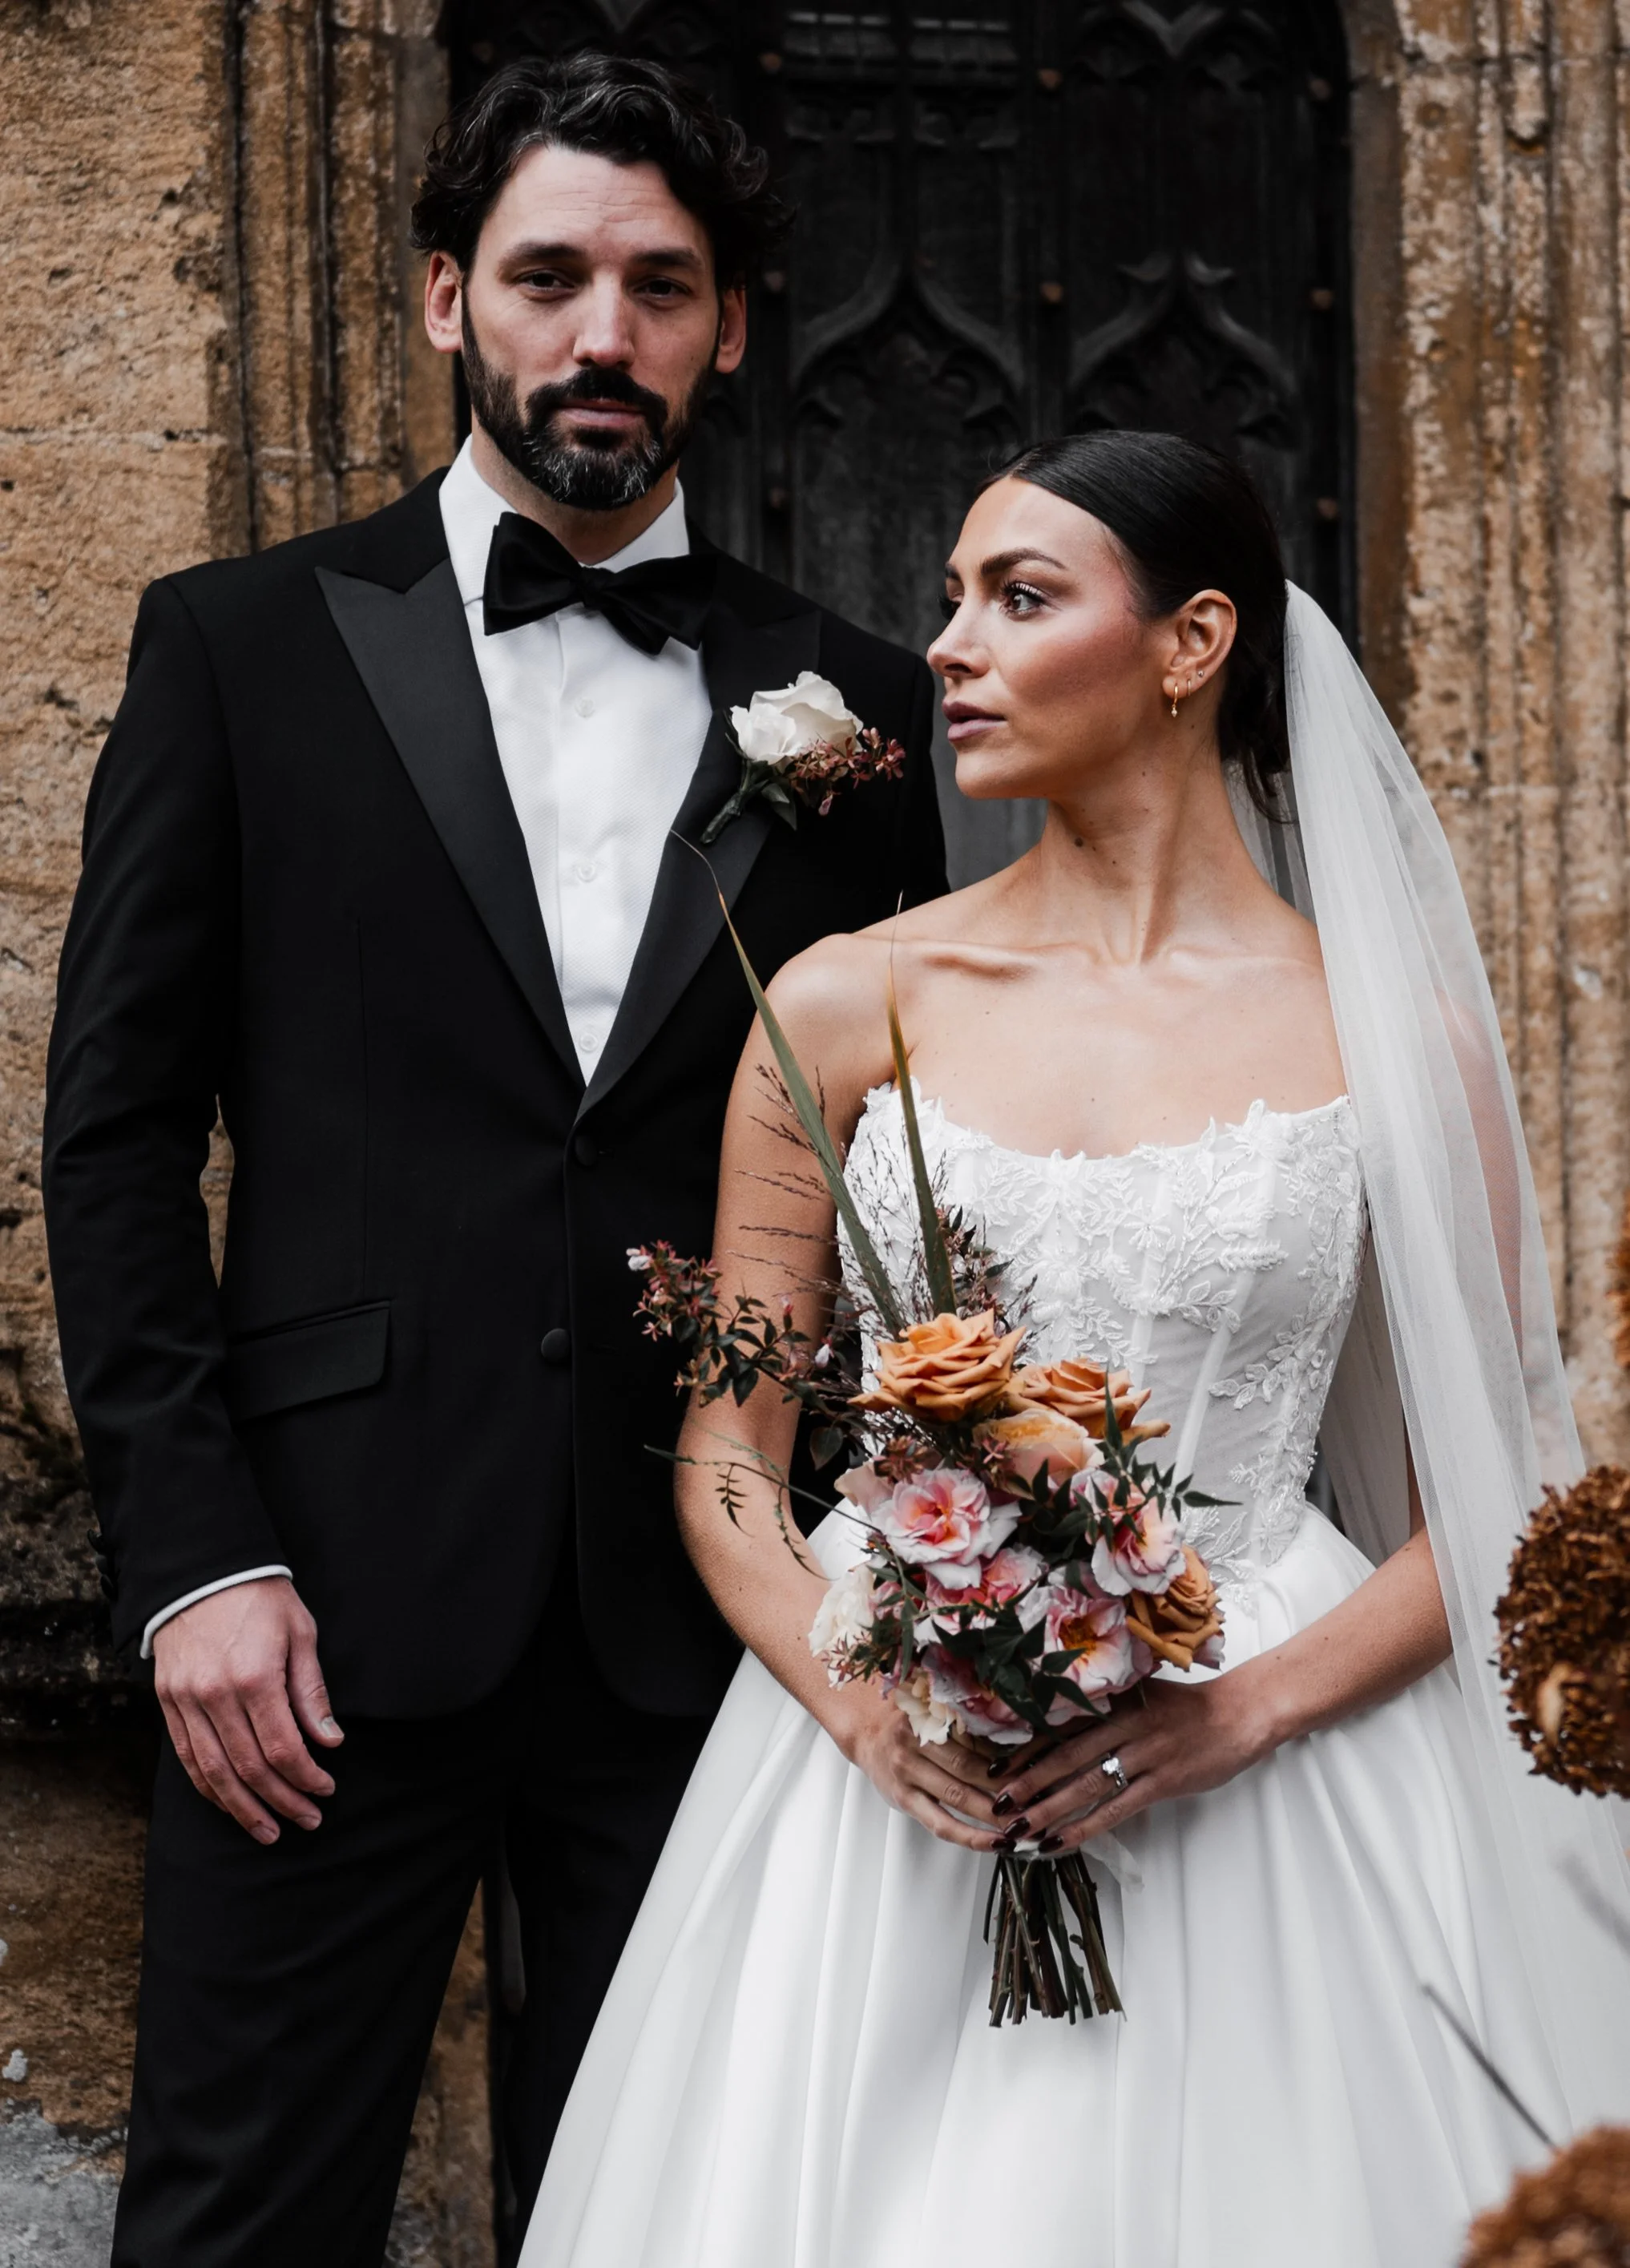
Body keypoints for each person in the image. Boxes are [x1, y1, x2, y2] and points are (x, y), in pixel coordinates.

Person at [520, 432, 1630, 2268]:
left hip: (1280, 1772)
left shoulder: (1397, 1034)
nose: (948, 643)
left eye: (1019, 598)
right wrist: (869, 1700)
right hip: (893, 1777)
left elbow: (1500, 1492)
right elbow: (730, 1457)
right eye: (953, 594)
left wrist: (1243, 1709)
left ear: (1193, 642)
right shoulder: (847, 1000)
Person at [41, 52, 945, 2267]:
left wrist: (883, 1550)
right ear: (449, 299)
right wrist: (194, 1559)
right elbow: (119, 1131)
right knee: (239, 2214)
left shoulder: (839, 706)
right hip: (314, 1613)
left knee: (689, 2217)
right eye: (546, 274)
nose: (600, 332)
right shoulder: (237, 646)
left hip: (721, 1622)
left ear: (730, 327)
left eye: (659, 283)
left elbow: (903, 1168)